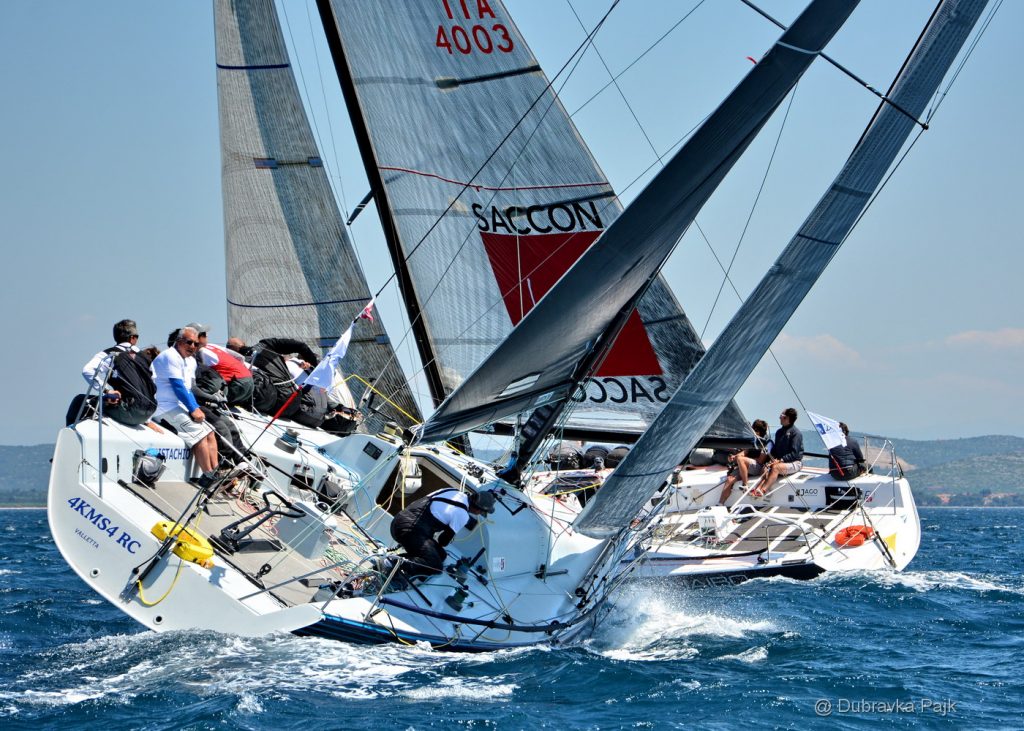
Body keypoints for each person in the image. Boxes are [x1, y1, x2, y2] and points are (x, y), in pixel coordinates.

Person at [151, 327, 220, 486]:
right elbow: (178, 386)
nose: (193, 346)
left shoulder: (185, 359)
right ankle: (208, 475)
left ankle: (216, 472)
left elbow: (188, 388)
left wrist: (195, 407)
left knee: (210, 431)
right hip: (163, 407)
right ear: (179, 341)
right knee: (199, 434)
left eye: (196, 344)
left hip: (175, 404)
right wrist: (193, 409)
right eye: (189, 342)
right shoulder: (171, 356)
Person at [390, 489, 496, 579]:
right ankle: (391, 563)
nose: (481, 514)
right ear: (477, 509)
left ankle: (398, 562)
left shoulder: (454, 491)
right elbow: (443, 541)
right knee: (435, 566)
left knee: (441, 555)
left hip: (399, 521)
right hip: (409, 530)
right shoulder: (463, 515)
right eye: (482, 512)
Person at [188, 323, 255, 407]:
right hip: (250, 382)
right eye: (204, 334)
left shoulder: (202, 352)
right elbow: (241, 357)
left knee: (201, 391)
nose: (207, 336)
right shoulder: (212, 346)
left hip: (237, 385)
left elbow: (204, 375)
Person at [81, 318, 140, 399]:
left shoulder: (108, 354)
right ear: (133, 338)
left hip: (124, 402)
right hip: (149, 404)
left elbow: (87, 370)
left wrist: (106, 390)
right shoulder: (144, 356)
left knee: (79, 399)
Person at [752, 407, 804, 497]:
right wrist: (770, 461)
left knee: (776, 468)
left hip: (795, 462)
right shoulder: (779, 432)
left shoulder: (796, 433)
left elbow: (794, 454)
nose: (779, 417)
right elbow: (775, 450)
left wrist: (780, 460)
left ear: (787, 418)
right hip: (780, 461)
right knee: (765, 467)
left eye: (781, 415)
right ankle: (758, 488)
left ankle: (763, 491)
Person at [719, 419, 773, 504]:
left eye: (752, 429)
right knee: (729, 479)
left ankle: (745, 485)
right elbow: (745, 452)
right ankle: (720, 503)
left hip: (758, 467)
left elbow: (760, 460)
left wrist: (743, 460)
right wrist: (734, 457)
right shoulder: (753, 441)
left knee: (741, 459)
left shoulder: (767, 443)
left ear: (757, 431)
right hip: (746, 466)